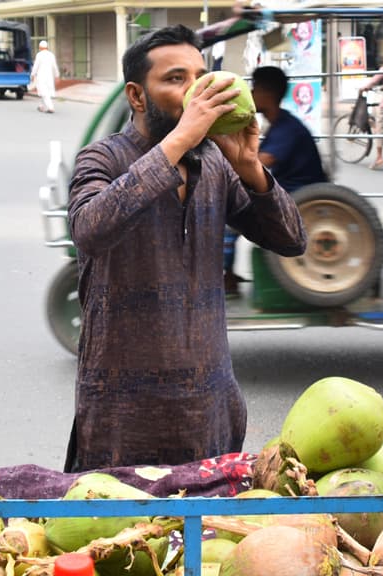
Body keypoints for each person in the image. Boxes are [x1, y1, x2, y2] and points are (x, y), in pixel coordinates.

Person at [63, 25, 306, 471]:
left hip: (208, 408)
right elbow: (89, 229)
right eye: (176, 79)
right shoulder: (102, 159)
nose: (195, 90)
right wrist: (179, 140)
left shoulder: (214, 163)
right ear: (137, 96)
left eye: (199, 76)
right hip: (122, 417)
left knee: (208, 534)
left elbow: (292, 240)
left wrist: (250, 166)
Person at [218, 66, 328, 296]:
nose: (250, 93)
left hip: (300, 194)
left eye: (254, 89)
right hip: (290, 189)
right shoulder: (279, 124)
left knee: (229, 222)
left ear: (267, 93)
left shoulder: (288, 129)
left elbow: (260, 161)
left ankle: (225, 277)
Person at [31, 40, 59, 114]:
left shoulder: (39, 55)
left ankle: (51, 107)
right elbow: (54, 66)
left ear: (40, 47)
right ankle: (41, 106)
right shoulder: (51, 55)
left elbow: (35, 66)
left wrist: (33, 74)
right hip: (49, 77)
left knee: (44, 92)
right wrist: (57, 75)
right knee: (45, 92)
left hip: (41, 76)